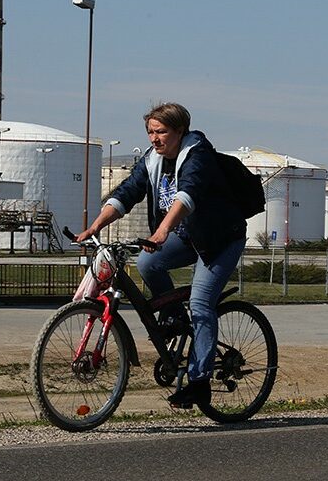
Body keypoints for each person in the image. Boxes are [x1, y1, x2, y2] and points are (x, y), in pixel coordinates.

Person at [77, 103, 247, 408]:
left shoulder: (198, 154)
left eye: (162, 131)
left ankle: (199, 382)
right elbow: (128, 192)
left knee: (201, 303)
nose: (155, 138)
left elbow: (188, 195)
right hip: (186, 236)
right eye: (150, 132)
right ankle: (174, 318)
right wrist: (94, 226)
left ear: (180, 131)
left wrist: (162, 231)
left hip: (220, 239)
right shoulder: (153, 159)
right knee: (147, 262)